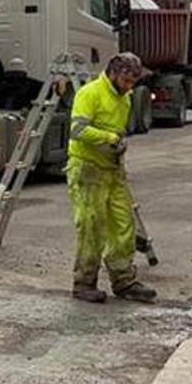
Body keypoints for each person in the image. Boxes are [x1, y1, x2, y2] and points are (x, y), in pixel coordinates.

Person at [67, 53, 157, 304]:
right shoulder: (90, 93)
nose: (130, 87)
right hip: (87, 168)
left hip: (112, 169)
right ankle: (84, 282)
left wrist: (119, 145)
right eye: (127, 81)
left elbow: (119, 130)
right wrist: (109, 139)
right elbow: (77, 130)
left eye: (133, 82)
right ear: (113, 73)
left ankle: (124, 280)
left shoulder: (125, 98)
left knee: (123, 225)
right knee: (91, 226)